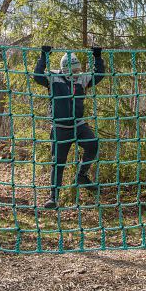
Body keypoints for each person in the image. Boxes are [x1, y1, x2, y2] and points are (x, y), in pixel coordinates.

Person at [33, 46, 105, 209]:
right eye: (71, 71)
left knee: (93, 143)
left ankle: (81, 175)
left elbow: (99, 75)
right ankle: (53, 198)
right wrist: (44, 56)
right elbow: (37, 76)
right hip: (60, 128)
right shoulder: (54, 78)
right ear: (64, 70)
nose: (75, 74)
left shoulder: (82, 78)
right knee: (58, 163)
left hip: (78, 125)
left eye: (77, 70)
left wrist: (97, 57)